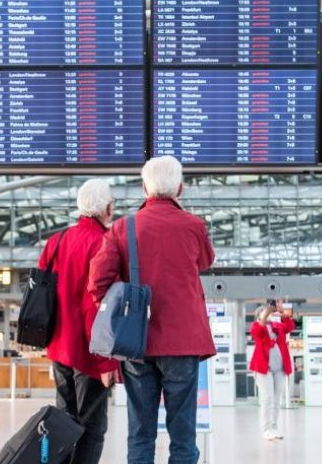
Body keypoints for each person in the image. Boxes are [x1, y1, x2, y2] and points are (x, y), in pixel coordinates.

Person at [88, 156, 216, 464]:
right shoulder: (194, 225)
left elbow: (97, 282)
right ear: (180, 189)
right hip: (183, 343)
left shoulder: (122, 228)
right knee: (183, 434)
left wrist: (118, 315)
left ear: (144, 188)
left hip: (137, 343)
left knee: (141, 433)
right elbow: (206, 261)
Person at [39, 179, 119, 464]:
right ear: (107, 209)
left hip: (59, 348)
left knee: (65, 422)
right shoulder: (104, 243)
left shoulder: (56, 241)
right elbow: (95, 307)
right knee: (92, 428)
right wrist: (107, 363)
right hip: (89, 354)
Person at [249, 301, 295, 441]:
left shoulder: (277, 326)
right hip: (264, 369)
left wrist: (282, 313)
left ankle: (274, 427)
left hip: (280, 368)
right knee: (267, 398)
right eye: (265, 313)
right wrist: (264, 315)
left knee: (276, 399)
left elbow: (290, 326)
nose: (269, 315)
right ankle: (266, 429)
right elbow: (257, 332)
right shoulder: (257, 326)